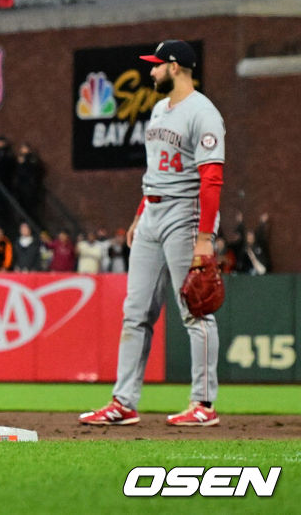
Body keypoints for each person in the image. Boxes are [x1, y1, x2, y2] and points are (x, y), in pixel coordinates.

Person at [80, 39, 225, 428]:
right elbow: (155, 172)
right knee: (135, 312)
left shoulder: (204, 113)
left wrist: (205, 239)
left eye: (157, 66)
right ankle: (123, 402)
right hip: (152, 213)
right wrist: (139, 214)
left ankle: (204, 404)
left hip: (185, 214)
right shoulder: (160, 108)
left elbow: (212, 179)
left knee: (196, 311)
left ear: (175, 67)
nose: (152, 71)